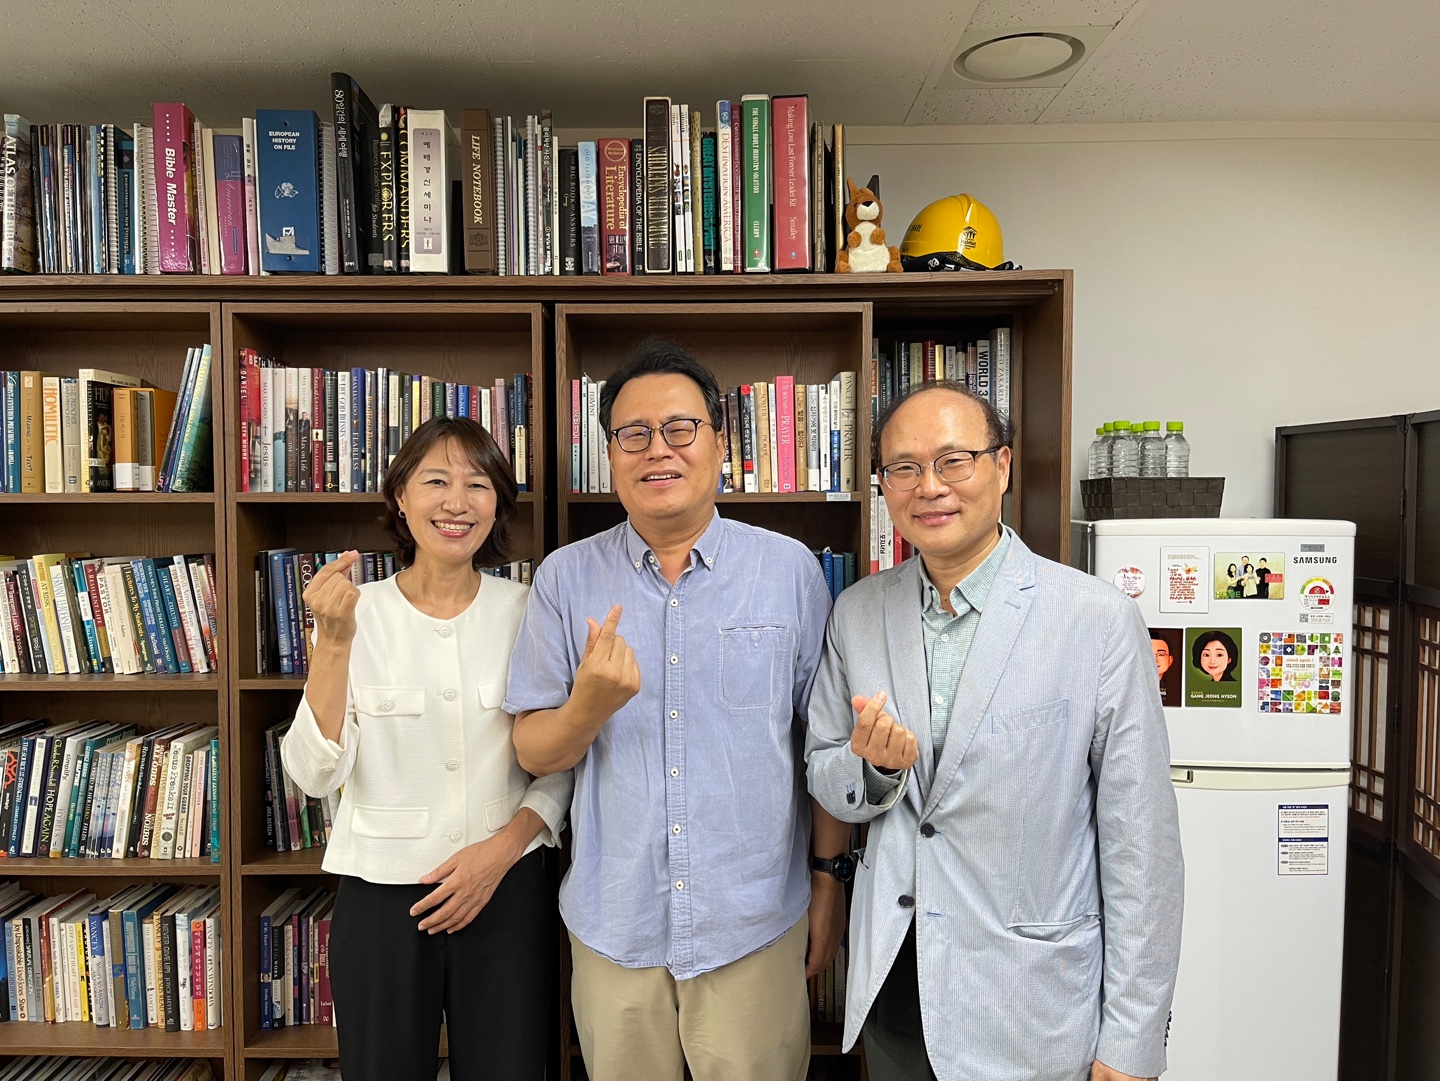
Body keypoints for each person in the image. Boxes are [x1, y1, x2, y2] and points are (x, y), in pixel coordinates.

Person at [805, 380, 1183, 1081]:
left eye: (954, 460)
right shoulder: (857, 612)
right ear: (883, 484)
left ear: (1002, 466)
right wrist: (874, 771)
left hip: (1031, 1000)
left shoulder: (1096, 620)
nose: (930, 487)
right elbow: (825, 772)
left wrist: (1132, 1038)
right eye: (904, 467)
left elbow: (1143, 846)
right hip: (897, 987)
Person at [504, 338, 851, 1081]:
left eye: (680, 428)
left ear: (720, 443)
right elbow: (533, 751)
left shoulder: (788, 570)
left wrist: (829, 881)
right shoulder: (565, 578)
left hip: (754, 922)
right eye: (633, 433)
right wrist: (587, 708)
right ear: (610, 454)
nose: (658, 449)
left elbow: (822, 744)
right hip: (615, 925)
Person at [280, 417, 571, 1081]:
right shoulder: (355, 611)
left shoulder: (530, 609)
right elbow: (314, 772)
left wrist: (501, 853)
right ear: (401, 498)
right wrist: (333, 642)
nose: (456, 502)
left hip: (507, 887)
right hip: (384, 896)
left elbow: (561, 761)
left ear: (498, 504)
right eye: (436, 481)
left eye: (478, 484)